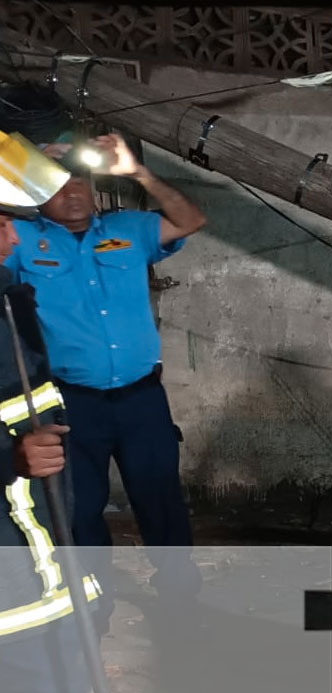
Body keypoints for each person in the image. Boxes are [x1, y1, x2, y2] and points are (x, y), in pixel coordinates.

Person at [0, 128, 139, 693]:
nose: (17, 237)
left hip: (36, 560)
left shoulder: (12, 303)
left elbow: (38, 403)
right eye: (3, 221)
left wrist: (40, 445)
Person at [3, 133, 205, 612]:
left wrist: (137, 172)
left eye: (81, 184)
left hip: (141, 401)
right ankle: (95, 605)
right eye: (58, 187)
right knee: (80, 510)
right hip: (72, 404)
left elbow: (191, 219)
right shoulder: (22, 240)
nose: (73, 194)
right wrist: (22, 175)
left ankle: (181, 599)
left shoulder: (130, 228)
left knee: (161, 502)